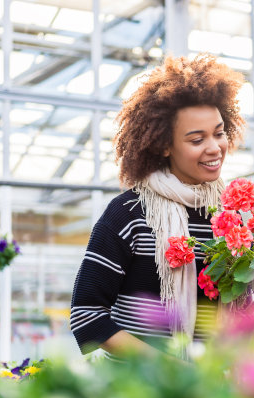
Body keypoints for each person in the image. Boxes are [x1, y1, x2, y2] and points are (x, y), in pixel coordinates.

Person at [70, 54, 245, 360]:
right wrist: (168, 370)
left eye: (219, 133)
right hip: (142, 389)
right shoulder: (128, 214)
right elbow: (87, 315)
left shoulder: (232, 213)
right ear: (164, 145)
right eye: (196, 139)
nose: (215, 147)